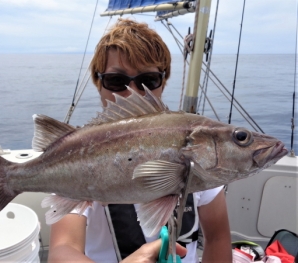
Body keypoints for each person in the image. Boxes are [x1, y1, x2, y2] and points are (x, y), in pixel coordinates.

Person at [48, 18, 232, 263]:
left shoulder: (197, 150)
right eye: (116, 81)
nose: (132, 92)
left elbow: (218, 237)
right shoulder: (75, 156)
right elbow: (62, 250)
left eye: (148, 80)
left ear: (163, 82)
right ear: (98, 82)